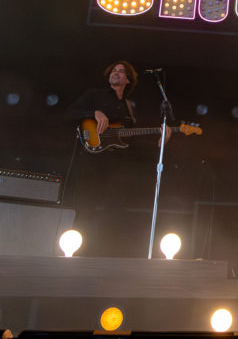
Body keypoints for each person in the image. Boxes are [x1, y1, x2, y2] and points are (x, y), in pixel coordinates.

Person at [65, 60, 170, 257]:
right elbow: (69, 113)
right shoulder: (94, 95)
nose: (116, 73)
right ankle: (77, 255)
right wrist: (94, 112)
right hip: (91, 163)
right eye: (114, 70)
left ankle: (105, 255)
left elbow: (132, 141)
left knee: (114, 211)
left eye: (121, 71)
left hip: (116, 168)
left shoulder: (128, 107)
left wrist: (159, 139)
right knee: (85, 209)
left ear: (128, 80)